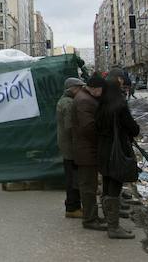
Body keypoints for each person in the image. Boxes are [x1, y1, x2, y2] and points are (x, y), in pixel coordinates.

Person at [96, 79, 141, 239]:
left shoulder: (101, 107)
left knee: (108, 186)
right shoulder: (120, 107)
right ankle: (114, 227)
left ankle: (111, 223)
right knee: (115, 186)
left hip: (103, 152)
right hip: (117, 152)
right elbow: (133, 129)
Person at [71, 74, 107, 231]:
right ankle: (90, 219)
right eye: (101, 90)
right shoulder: (84, 101)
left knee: (89, 186)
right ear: (95, 88)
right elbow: (88, 128)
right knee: (88, 187)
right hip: (86, 151)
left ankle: (92, 217)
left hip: (86, 149)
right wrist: (102, 137)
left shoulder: (85, 98)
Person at [57, 77, 85, 218]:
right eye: (79, 88)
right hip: (71, 147)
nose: (81, 91)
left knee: (73, 177)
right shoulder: (68, 103)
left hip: (68, 146)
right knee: (73, 179)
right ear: (73, 89)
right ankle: (72, 207)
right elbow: (70, 127)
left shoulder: (66, 101)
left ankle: (73, 205)